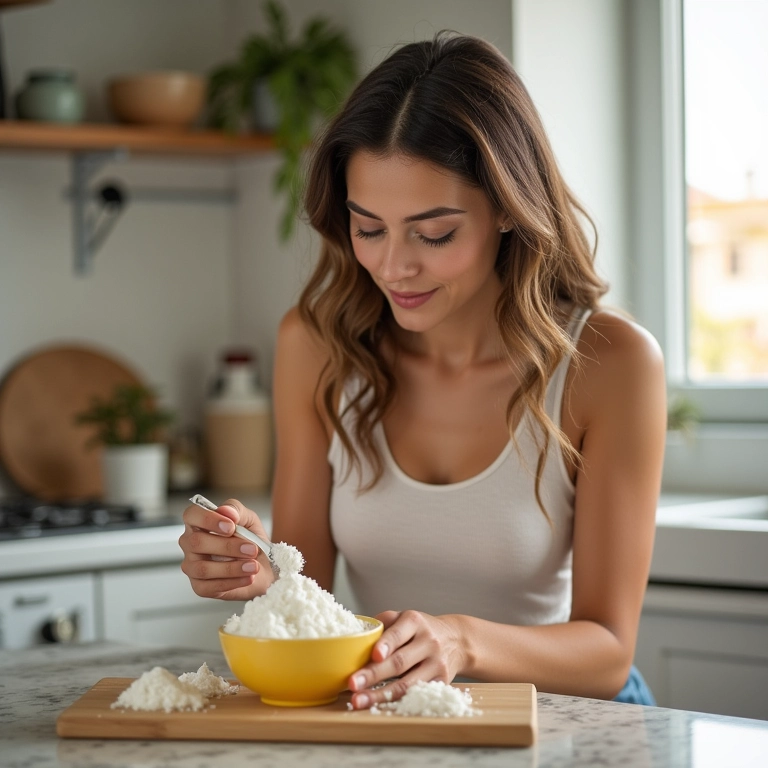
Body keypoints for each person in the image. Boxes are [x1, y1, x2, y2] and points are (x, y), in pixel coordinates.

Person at [179, 32, 666, 708]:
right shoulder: (317, 345)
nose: (394, 267)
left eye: (434, 234)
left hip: (571, 718)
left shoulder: (609, 364)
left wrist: (461, 641)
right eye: (368, 228)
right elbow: (304, 592)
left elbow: (608, 654)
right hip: (398, 715)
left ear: (505, 209)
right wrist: (257, 571)